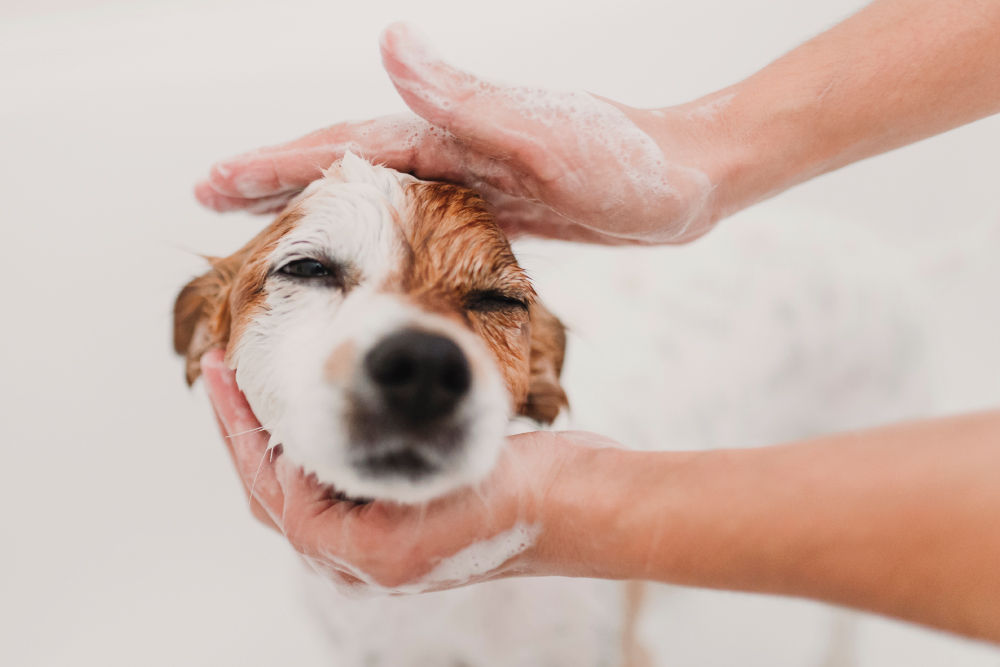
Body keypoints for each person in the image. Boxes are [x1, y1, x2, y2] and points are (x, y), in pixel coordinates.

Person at [194, 0, 1000, 643]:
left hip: (849, 326)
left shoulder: (569, 623)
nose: (417, 353)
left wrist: (569, 510)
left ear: (536, 381)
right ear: (212, 341)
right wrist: (708, 152)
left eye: (491, 303)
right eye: (309, 271)